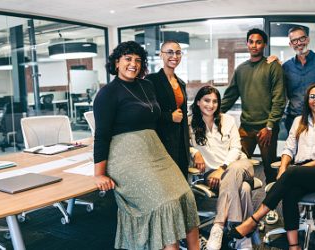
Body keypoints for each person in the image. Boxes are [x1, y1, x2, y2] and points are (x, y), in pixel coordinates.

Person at [93, 41, 200, 250]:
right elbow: (101, 136)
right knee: (165, 203)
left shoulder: (147, 86)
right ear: (116, 62)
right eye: (128, 59)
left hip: (155, 152)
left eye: (137, 60)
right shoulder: (107, 93)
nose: (133, 64)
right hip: (126, 156)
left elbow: (159, 116)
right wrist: (99, 173)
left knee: (186, 196)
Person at [228, 83, 315, 250]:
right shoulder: (299, 121)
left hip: (308, 171)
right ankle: (294, 245)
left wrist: (290, 171)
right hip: (299, 171)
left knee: (292, 172)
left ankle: (253, 221)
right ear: (307, 100)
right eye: (312, 97)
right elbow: (289, 148)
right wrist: (282, 168)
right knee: (290, 192)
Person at [190, 86, 255, 250]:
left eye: (214, 101)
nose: (211, 105)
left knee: (233, 173)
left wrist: (223, 168)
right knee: (245, 189)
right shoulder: (189, 123)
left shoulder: (228, 120)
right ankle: (242, 238)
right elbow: (182, 147)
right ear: (198, 102)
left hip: (239, 165)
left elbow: (236, 148)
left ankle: (218, 226)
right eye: (206, 100)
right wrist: (195, 152)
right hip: (212, 174)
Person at [221, 28, 286, 185]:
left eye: (258, 42)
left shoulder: (272, 66)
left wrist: (270, 126)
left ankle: (270, 206)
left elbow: (279, 98)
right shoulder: (241, 69)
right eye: (251, 42)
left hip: (266, 128)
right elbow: (229, 98)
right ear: (247, 44)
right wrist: (211, 113)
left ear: (264, 44)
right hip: (245, 127)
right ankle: (242, 198)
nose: (254, 45)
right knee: (237, 165)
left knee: (269, 170)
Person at [146, 40, 190, 178]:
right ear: (161, 55)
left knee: (181, 178)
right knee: (167, 181)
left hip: (180, 141)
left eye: (178, 52)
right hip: (162, 140)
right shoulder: (151, 80)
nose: (174, 56)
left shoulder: (181, 83)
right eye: (170, 52)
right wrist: (169, 116)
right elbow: (147, 112)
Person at [283, 26, 315, 133]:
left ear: (307, 39)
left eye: (302, 38)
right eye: (294, 41)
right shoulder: (286, 67)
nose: (299, 43)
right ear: (290, 44)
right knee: (293, 149)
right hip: (293, 119)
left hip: (314, 118)